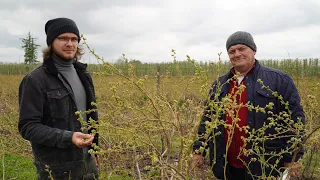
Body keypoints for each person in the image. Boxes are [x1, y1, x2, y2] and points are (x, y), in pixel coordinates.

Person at [192, 31, 305, 180]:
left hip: (265, 164)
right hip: (226, 165)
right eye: (231, 51)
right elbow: (209, 119)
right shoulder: (221, 84)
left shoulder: (279, 80)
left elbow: (295, 121)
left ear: (253, 50)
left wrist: (292, 158)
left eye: (242, 49)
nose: (237, 54)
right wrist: (198, 150)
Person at [18, 17, 99, 180]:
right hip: (57, 168)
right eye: (63, 38)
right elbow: (28, 127)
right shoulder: (35, 80)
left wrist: (95, 151)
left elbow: (91, 118)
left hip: (87, 164)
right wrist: (68, 137)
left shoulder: (84, 75)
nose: (69, 44)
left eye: (74, 39)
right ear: (51, 42)